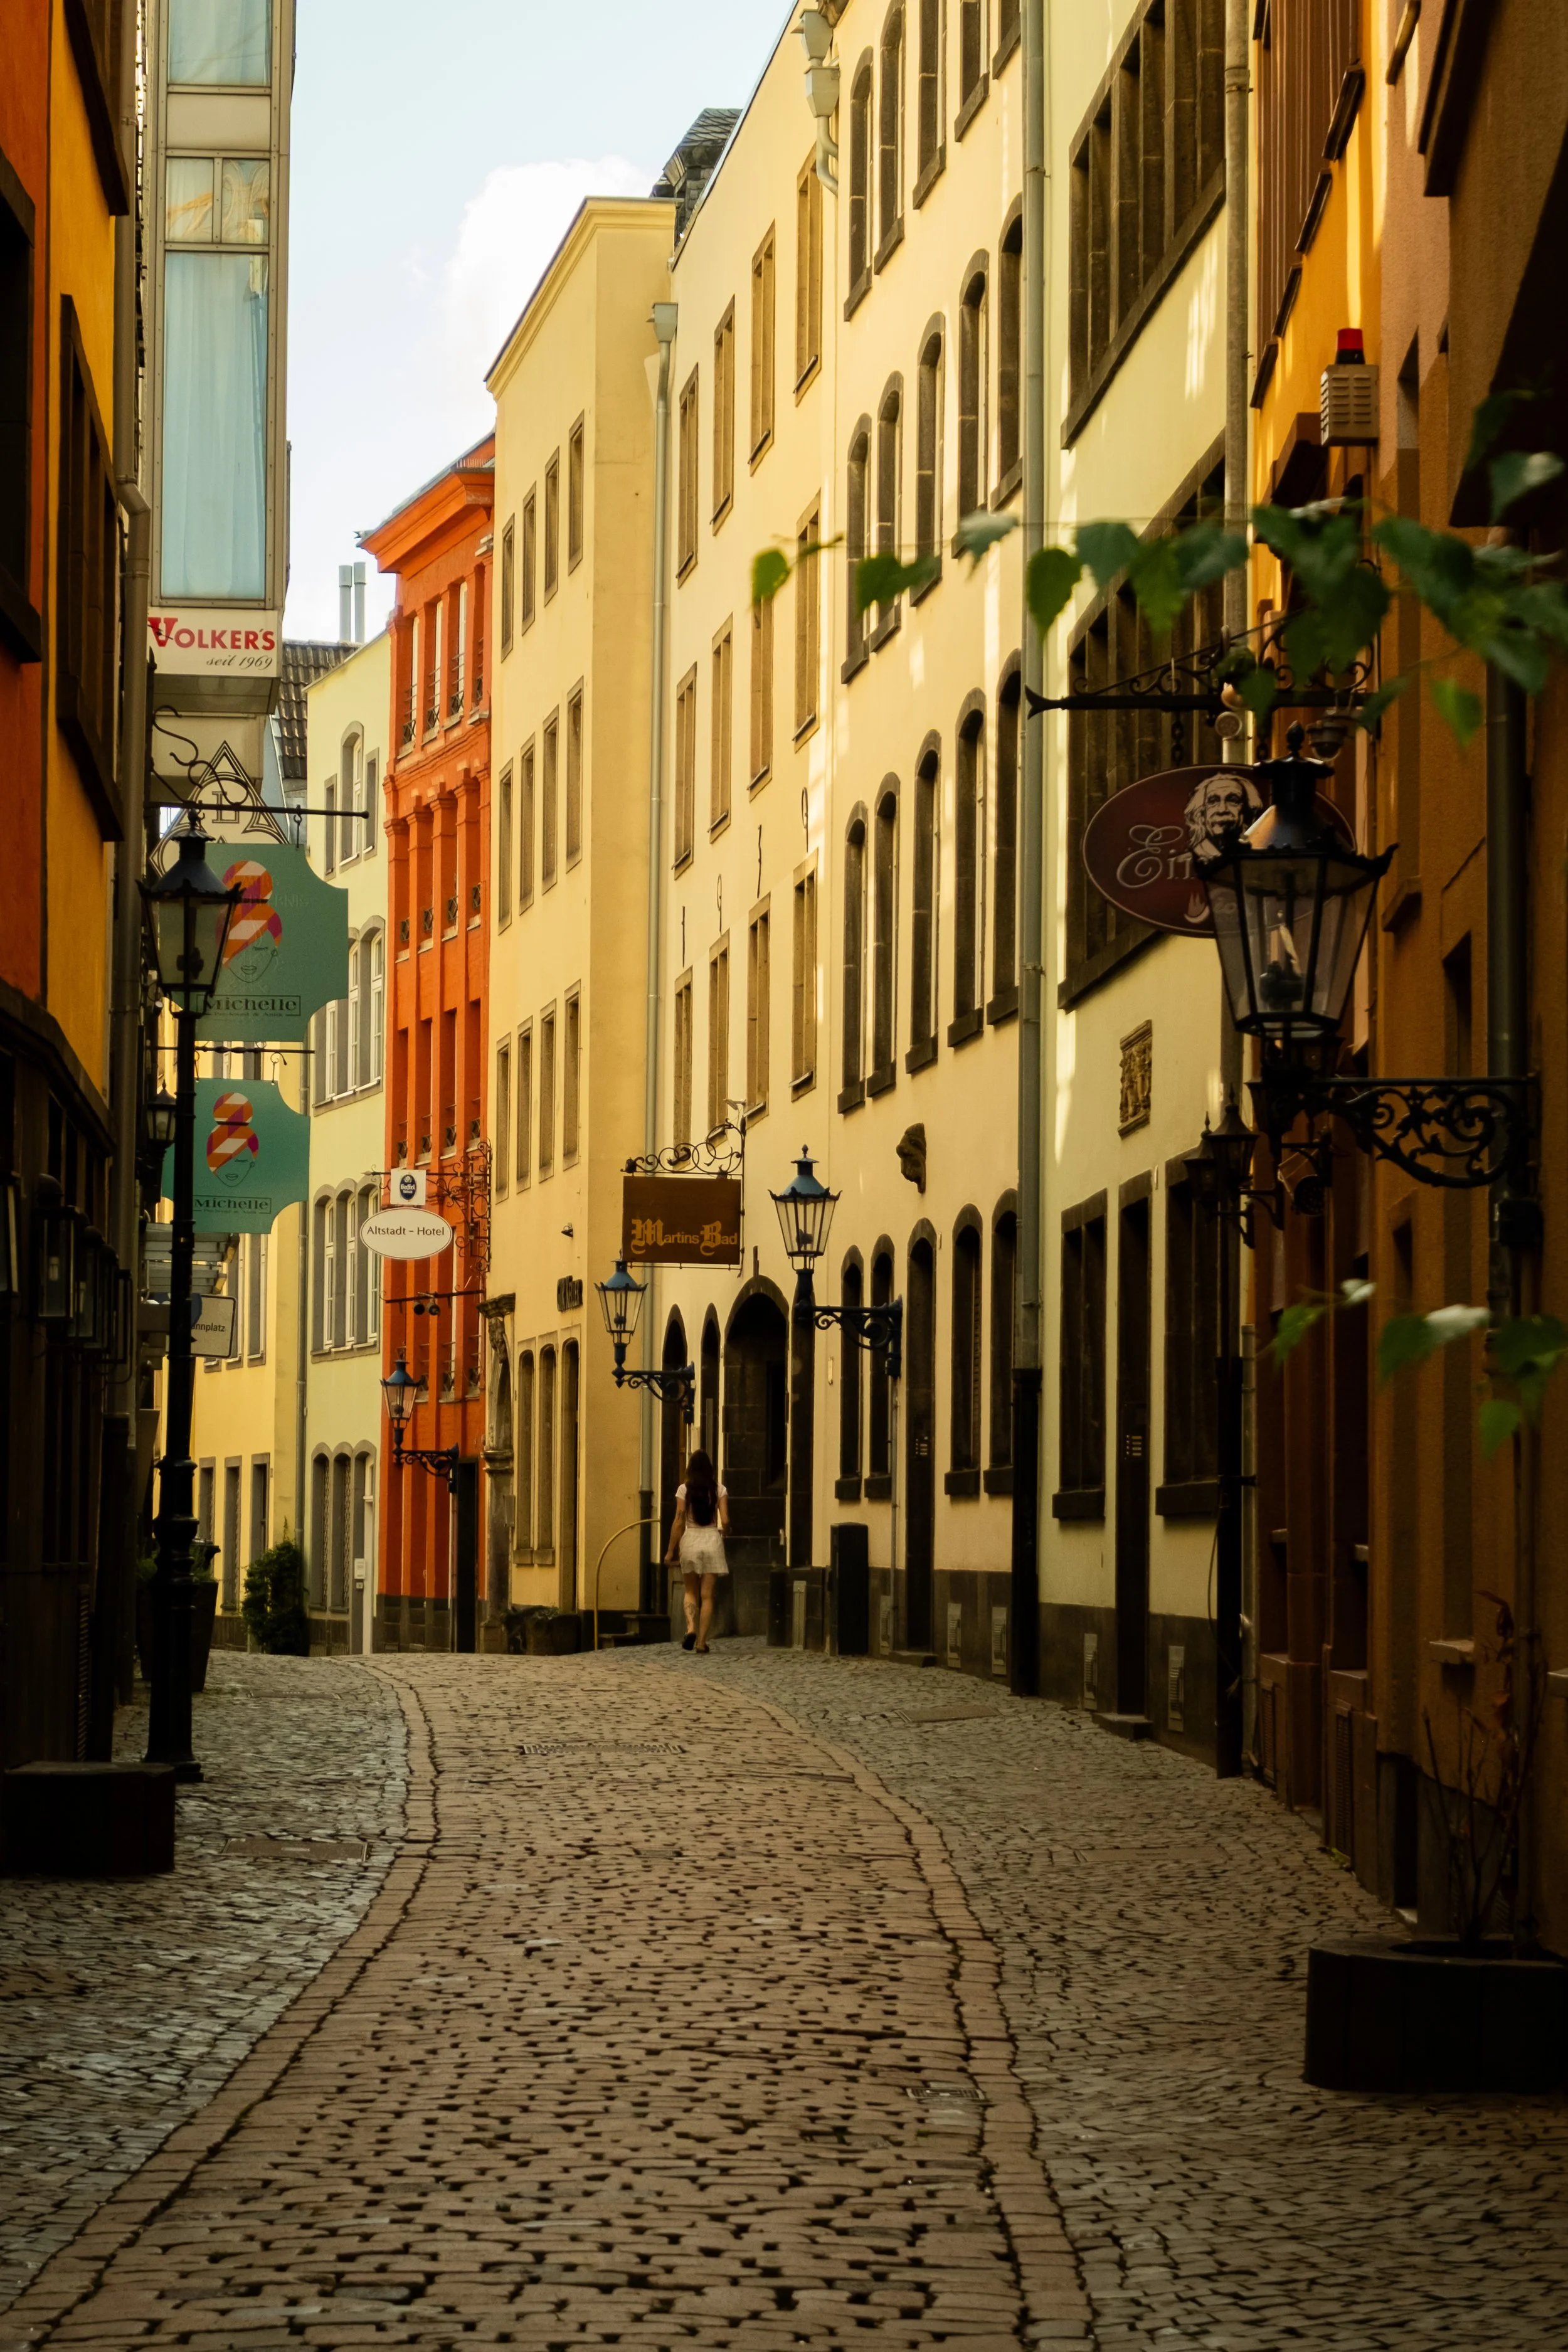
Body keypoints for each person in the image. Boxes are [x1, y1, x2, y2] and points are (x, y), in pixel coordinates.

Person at [665, 1448, 729, 1654]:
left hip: (691, 1540)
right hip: (711, 1540)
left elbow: (678, 1522)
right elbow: (725, 1520)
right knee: (708, 1596)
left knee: (691, 1591)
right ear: (710, 1469)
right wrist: (727, 1531)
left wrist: (670, 1551)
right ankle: (702, 1643)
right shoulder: (720, 1490)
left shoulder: (684, 1490)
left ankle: (691, 1628)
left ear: (690, 1469)